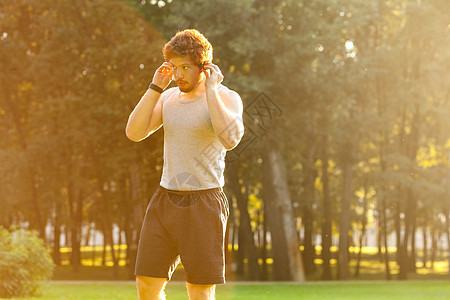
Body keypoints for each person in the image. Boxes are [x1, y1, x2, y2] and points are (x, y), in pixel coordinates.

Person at [125, 29, 244, 300]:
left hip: (204, 203)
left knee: (199, 291)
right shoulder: (168, 98)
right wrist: (156, 86)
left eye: (185, 67)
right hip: (165, 200)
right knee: (147, 284)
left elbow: (231, 139)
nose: (178, 75)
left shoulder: (226, 97)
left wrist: (211, 90)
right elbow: (134, 132)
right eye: (174, 67)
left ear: (205, 66)